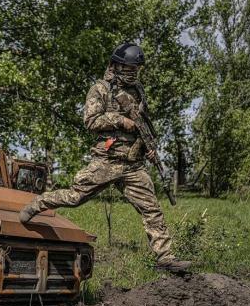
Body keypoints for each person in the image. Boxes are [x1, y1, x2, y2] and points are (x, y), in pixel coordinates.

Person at [18, 43, 191, 273]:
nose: (133, 73)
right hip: (107, 162)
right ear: (117, 65)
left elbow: (142, 125)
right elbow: (91, 120)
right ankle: (39, 203)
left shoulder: (138, 90)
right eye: (129, 68)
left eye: (136, 69)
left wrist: (148, 148)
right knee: (75, 197)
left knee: (152, 209)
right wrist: (120, 121)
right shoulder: (100, 89)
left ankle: (165, 258)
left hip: (132, 165)